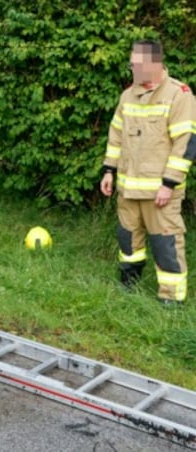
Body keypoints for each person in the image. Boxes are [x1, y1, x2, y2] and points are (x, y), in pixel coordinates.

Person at [100, 39, 196, 306]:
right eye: (131, 64)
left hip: (160, 192)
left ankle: (171, 299)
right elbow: (116, 136)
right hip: (128, 189)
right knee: (128, 241)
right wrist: (109, 170)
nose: (131, 69)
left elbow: (185, 143)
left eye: (135, 64)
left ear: (153, 63)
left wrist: (169, 184)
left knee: (165, 244)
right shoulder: (127, 95)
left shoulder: (179, 95)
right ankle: (128, 285)